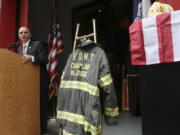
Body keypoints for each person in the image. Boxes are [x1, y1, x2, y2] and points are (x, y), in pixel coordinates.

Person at [8, 27, 49, 135]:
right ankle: (30, 126)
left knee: (41, 105)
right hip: (26, 82)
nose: (23, 34)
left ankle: (42, 130)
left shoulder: (38, 44)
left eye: (25, 32)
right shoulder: (19, 48)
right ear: (18, 35)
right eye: (21, 33)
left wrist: (32, 57)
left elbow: (45, 60)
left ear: (30, 34)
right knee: (29, 105)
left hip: (40, 80)